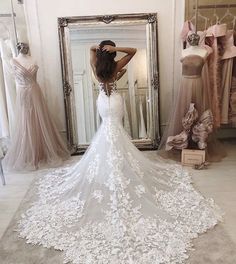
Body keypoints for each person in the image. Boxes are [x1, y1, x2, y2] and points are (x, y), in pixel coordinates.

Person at [17, 40, 222, 264]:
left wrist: (100, 48)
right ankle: (119, 168)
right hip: (114, 101)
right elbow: (134, 50)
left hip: (103, 102)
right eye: (111, 51)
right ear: (112, 54)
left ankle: (110, 169)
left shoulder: (97, 66)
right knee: (115, 130)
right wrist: (115, 50)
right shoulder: (116, 67)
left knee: (108, 130)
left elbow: (90, 50)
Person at [2, 42, 70, 171]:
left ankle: (41, 153)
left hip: (35, 92)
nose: (25, 49)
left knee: (40, 121)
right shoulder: (13, 61)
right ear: (19, 48)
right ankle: (31, 155)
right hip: (23, 93)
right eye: (23, 47)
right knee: (26, 121)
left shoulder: (33, 59)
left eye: (26, 47)